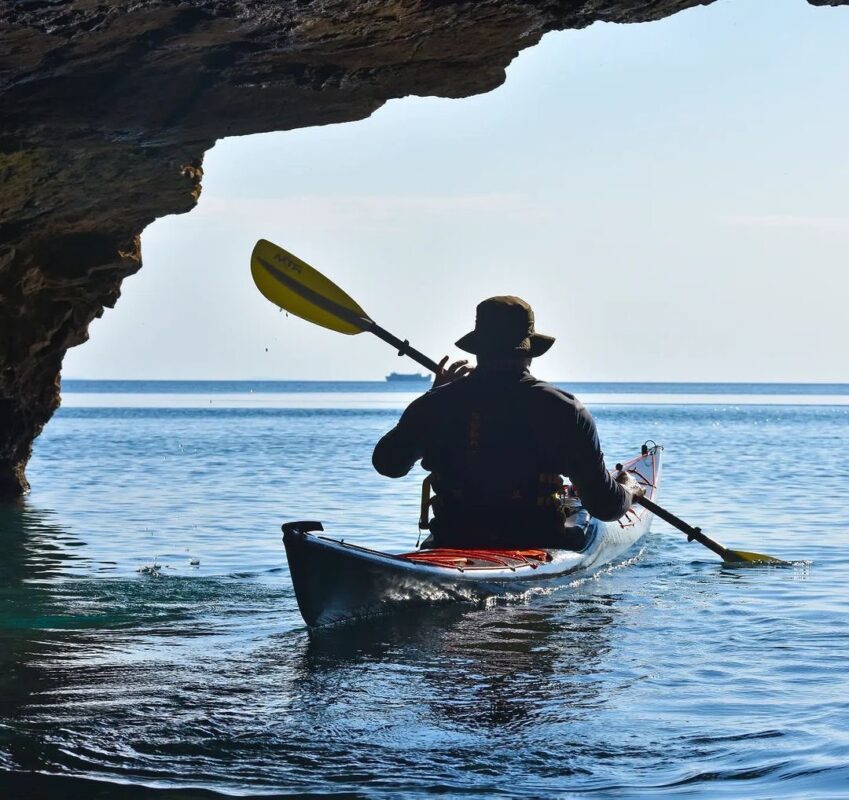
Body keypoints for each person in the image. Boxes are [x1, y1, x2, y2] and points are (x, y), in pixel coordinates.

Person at [372, 296, 644, 549]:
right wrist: (629, 491)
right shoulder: (565, 408)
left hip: (451, 538)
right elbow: (605, 506)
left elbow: (389, 464)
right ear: (530, 350)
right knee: (581, 519)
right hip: (537, 541)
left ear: (479, 349)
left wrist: (433, 397)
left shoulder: (436, 403)